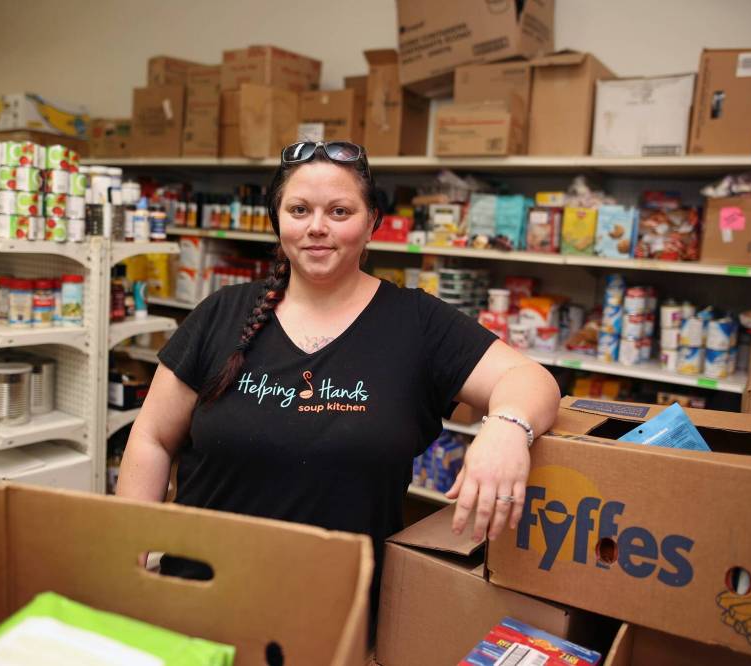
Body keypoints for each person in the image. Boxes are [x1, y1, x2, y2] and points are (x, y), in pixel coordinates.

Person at [115, 140, 561, 632]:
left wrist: (506, 427)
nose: (317, 227)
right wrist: (126, 557)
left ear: (372, 222)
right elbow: (153, 437)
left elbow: (530, 379)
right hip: (195, 606)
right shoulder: (221, 313)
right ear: (278, 219)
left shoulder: (416, 323)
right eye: (299, 209)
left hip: (339, 620)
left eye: (340, 211)